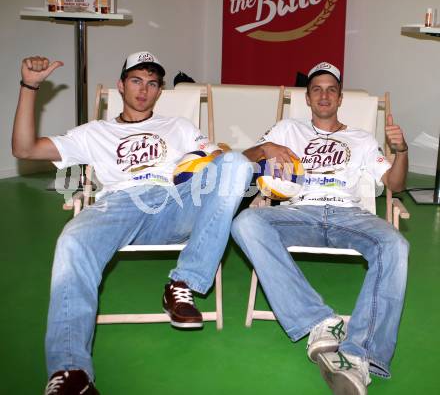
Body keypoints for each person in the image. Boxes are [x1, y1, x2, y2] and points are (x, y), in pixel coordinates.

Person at [12, 52, 252, 394]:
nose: (144, 90)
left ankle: (182, 282)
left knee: (237, 164)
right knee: (72, 241)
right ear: (121, 86)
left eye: (152, 83)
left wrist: (216, 159)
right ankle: (71, 372)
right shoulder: (95, 132)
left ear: (160, 91)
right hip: (119, 204)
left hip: (173, 203)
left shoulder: (179, 127)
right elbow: (25, 149)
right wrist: (29, 87)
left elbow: (217, 162)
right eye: (136, 80)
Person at [231, 62, 409, 395]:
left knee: (395, 246)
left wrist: (400, 151)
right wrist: (267, 148)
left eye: (331, 89)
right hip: (300, 211)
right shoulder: (286, 129)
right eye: (317, 89)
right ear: (307, 98)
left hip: (349, 216)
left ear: (340, 98)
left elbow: (395, 184)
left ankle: (359, 356)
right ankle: (318, 321)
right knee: (245, 222)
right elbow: (242, 158)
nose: (324, 95)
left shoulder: (361, 138)